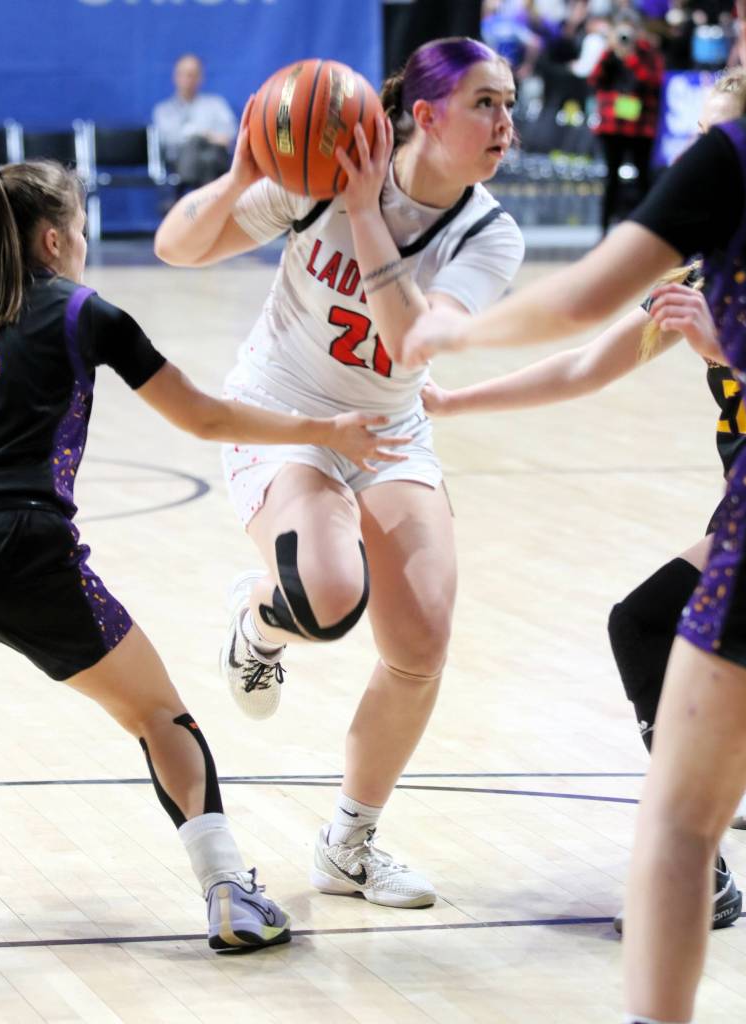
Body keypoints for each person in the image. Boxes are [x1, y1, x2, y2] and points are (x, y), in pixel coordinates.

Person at [402, 1, 746, 1015]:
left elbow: (576, 306)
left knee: (673, 814)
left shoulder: (731, 200)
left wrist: (453, 332)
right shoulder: (697, 279)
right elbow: (583, 361)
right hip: (743, 502)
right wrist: (462, 396)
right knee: (642, 620)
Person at [0, 159, 408, 953]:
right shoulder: (86, 312)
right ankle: (230, 894)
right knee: (158, 715)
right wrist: (325, 430)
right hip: (25, 547)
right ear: (58, 238)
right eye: (86, 232)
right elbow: (203, 417)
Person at [154, 37, 525, 910]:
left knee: (421, 643)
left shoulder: (488, 233)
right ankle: (260, 620)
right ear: (425, 116)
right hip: (281, 414)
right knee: (324, 596)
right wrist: (245, 171)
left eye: (509, 102)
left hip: (389, 429)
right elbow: (176, 247)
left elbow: (410, 345)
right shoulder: (319, 170)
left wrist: (365, 217)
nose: (506, 122)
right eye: (485, 103)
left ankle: (349, 843)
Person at [588, 12, 664, 232]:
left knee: (643, 180)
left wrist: (630, 57)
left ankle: (647, 230)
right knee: (611, 179)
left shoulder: (647, 53)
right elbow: (594, 79)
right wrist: (610, 51)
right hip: (612, 126)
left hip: (640, 127)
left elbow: (652, 81)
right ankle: (603, 232)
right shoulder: (609, 52)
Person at [152, 54, 237, 190]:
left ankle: (197, 201)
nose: (187, 79)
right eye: (183, 74)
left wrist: (201, 136)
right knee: (198, 149)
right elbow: (167, 141)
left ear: (200, 78)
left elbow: (228, 136)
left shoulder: (216, 104)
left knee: (209, 155)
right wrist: (204, 136)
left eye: (192, 74)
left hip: (214, 161)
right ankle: (209, 202)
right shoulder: (163, 110)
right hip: (179, 162)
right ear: (175, 77)